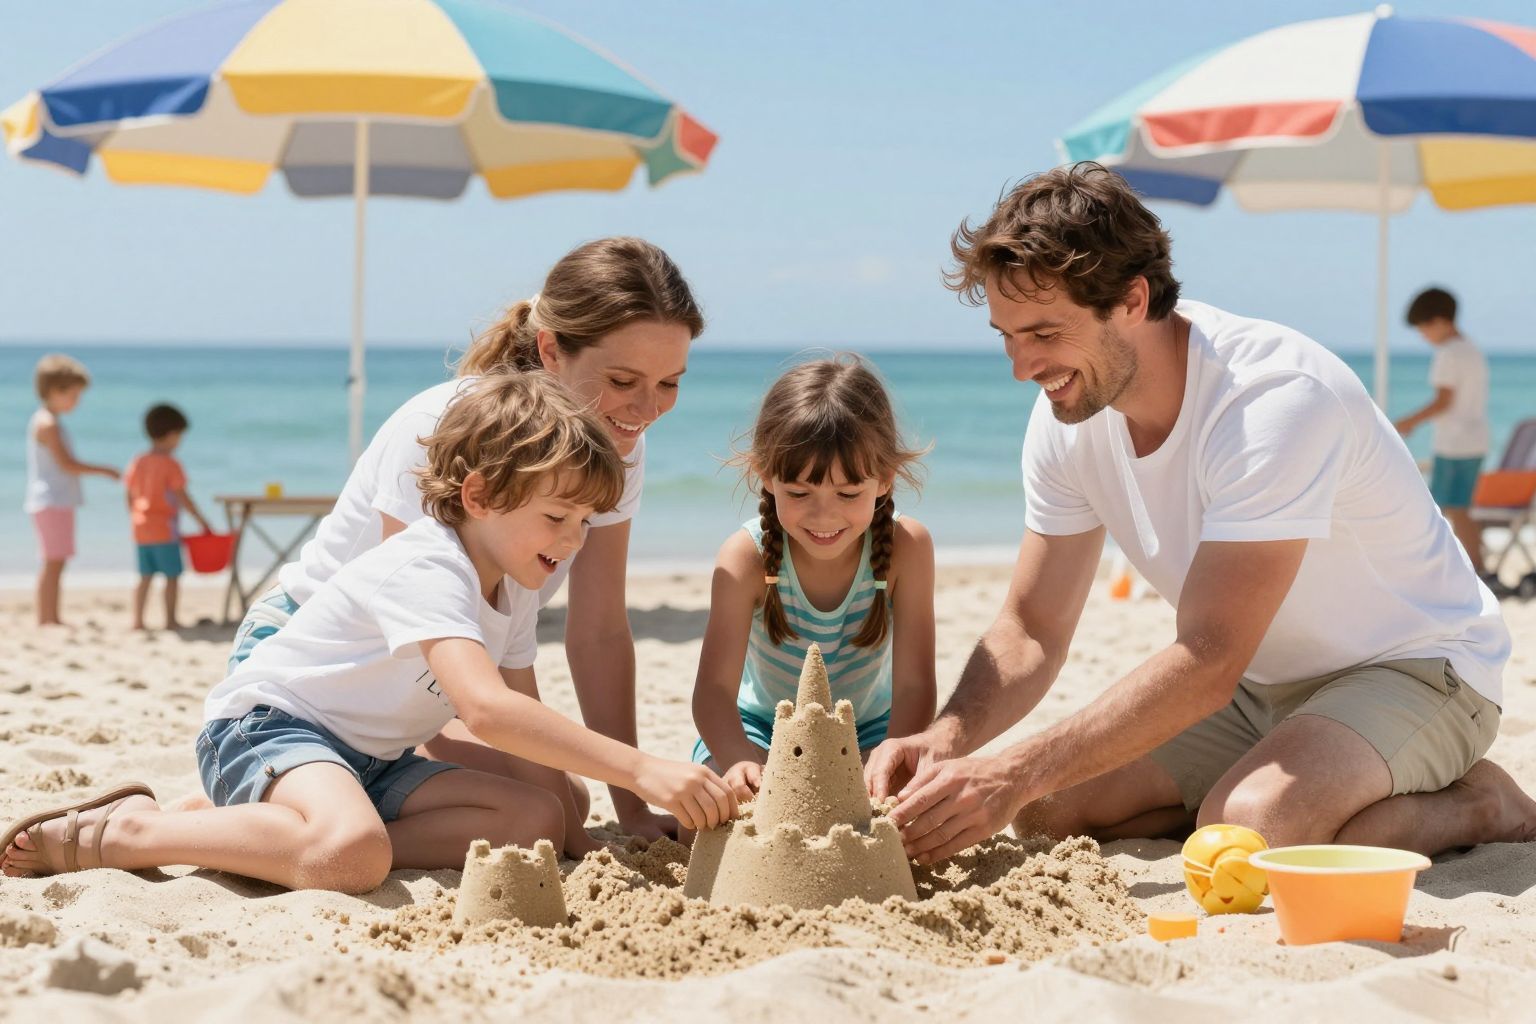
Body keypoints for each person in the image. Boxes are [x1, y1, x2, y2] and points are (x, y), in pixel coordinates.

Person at [866, 163, 1535, 865]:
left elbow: (1209, 657)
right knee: (1049, 812)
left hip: (1416, 667)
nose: (1022, 366)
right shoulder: (1068, 415)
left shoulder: (1271, 398)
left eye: (1043, 333)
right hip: (1257, 683)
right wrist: (946, 740)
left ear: (1132, 298)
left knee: (1250, 835)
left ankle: (1483, 801)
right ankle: (1290, 779)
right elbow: (1032, 627)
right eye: (1008, 336)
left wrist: (1013, 767)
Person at [1, 372, 736, 890]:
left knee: (538, 817)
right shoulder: (428, 563)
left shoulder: (513, 585)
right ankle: (128, 833)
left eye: (583, 522)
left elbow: (526, 720)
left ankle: (256, 832)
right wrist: (640, 771)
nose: (574, 540)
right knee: (349, 855)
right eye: (555, 517)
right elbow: (487, 712)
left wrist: (580, 842)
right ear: (478, 495)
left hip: (366, 759)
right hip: (267, 728)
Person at [224, 237, 702, 842]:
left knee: (564, 807)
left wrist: (632, 807)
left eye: (670, 383)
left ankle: (306, 818)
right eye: (624, 379)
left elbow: (601, 629)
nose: (646, 408)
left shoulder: (616, 448)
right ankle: (305, 818)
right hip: (323, 670)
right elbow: (433, 639)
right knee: (540, 803)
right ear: (551, 350)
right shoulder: (442, 429)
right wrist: (627, 773)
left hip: (421, 688)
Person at [692, 358, 936, 800]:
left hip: (870, 730)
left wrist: (892, 758)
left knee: (907, 810)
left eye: (848, 494)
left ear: (884, 480)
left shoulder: (907, 548)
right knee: (715, 814)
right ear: (765, 476)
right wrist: (739, 757)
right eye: (800, 493)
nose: (825, 516)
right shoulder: (746, 558)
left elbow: (915, 685)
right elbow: (713, 692)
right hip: (763, 730)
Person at [1393, 287, 1491, 578]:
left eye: (1423, 329)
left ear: (1439, 321)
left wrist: (1407, 422)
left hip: (1455, 443)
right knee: (1460, 508)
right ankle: (1479, 566)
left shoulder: (1448, 353)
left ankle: (1474, 569)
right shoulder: (1471, 349)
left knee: (1449, 509)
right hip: (1476, 439)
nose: (1424, 336)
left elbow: (1443, 400)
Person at [24, 354, 119, 627]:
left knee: (57, 560)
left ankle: (51, 616)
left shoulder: (49, 420)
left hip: (55, 500)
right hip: (50, 500)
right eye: (74, 395)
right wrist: (104, 470)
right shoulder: (47, 423)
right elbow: (66, 463)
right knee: (53, 561)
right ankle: (47, 618)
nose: (76, 401)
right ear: (54, 391)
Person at [123, 403, 214, 630]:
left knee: (144, 576)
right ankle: (170, 620)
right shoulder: (171, 464)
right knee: (171, 576)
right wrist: (203, 523)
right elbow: (183, 497)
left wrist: (133, 515)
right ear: (172, 434)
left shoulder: (139, 461)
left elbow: (129, 492)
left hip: (141, 528)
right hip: (164, 528)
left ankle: (138, 620)